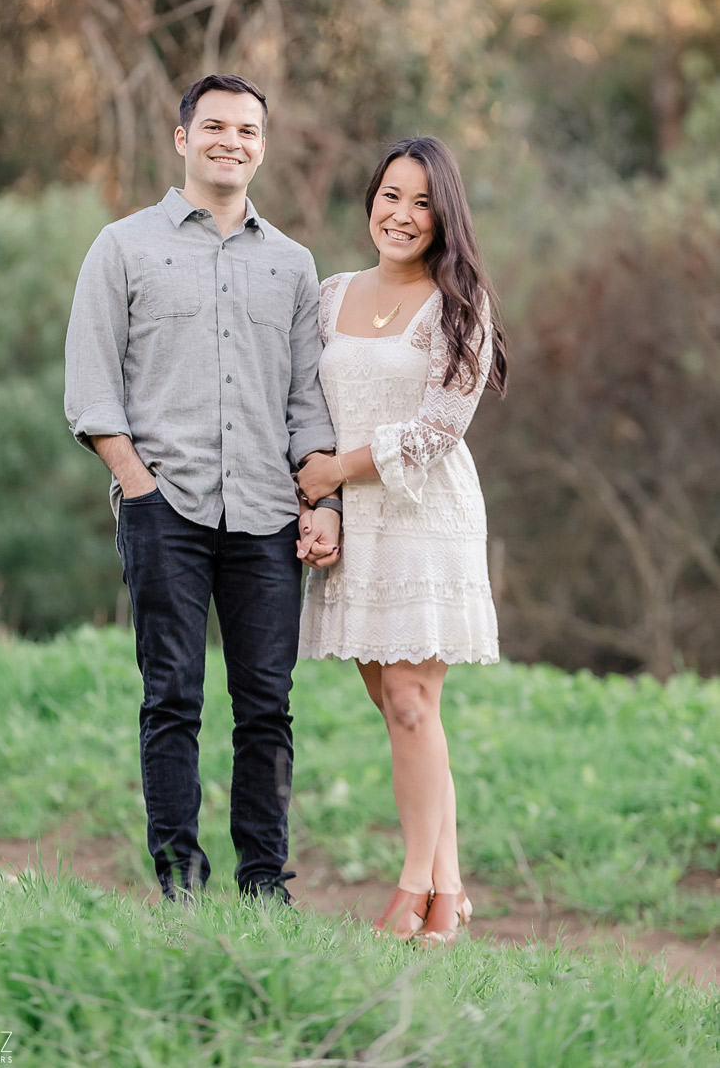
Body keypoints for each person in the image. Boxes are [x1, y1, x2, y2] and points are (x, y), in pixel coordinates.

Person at [64, 73, 341, 905]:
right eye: (214, 126)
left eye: (248, 130)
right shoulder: (123, 247)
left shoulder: (293, 266)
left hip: (264, 515)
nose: (231, 141)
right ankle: (179, 884)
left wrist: (319, 500)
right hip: (166, 509)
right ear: (182, 138)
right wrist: (137, 487)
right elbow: (90, 384)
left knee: (266, 708)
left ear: (263, 145)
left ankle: (265, 885)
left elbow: (306, 400)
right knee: (172, 698)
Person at [295, 135, 507, 946]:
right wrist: (324, 507)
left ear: (444, 215)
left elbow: (433, 433)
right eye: (391, 195)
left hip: (426, 519)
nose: (403, 215)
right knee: (396, 708)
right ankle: (451, 890)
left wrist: (332, 475)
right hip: (358, 526)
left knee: (416, 702)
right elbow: (306, 413)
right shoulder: (328, 295)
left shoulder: (460, 307)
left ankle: (414, 890)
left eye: (422, 202)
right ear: (371, 201)